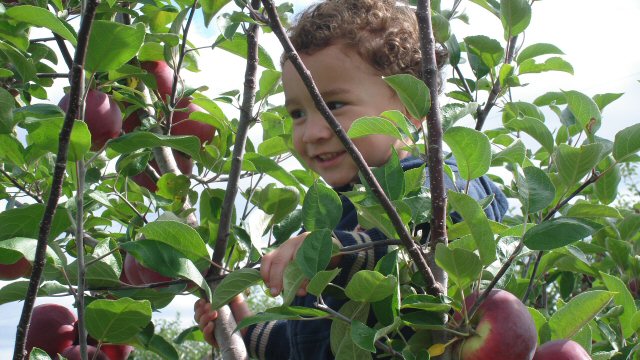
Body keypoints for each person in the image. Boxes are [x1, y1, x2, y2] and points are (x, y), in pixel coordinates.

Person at [194, 0, 508, 359]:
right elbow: (305, 346)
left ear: (410, 107)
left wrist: (342, 250)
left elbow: (453, 218)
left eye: (334, 106)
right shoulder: (330, 220)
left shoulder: (436, 180)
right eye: (298, 113)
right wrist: (238, 324)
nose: (312, 132)